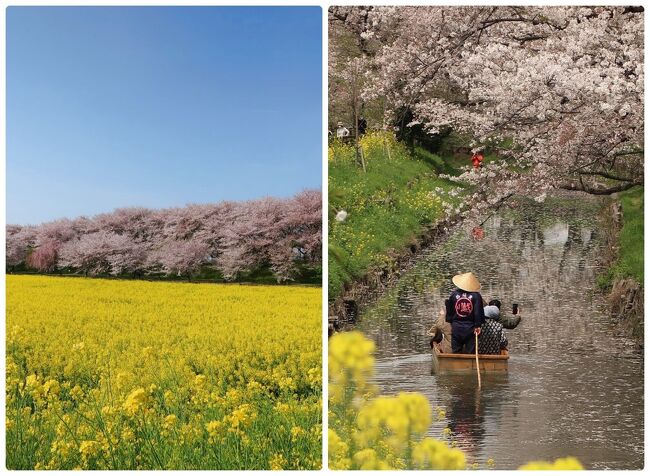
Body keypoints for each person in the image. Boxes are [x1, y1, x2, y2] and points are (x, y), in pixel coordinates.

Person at [445, 272, 484, 354]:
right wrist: (478, 326)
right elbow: (477, 312)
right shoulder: (476, 296)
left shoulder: (454, 295)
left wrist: (452, 323)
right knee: (471, 353)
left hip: (456, 327)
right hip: (470, 328)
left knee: (456, 352)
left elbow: (449, 314)